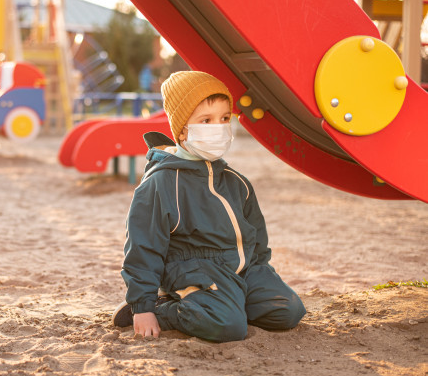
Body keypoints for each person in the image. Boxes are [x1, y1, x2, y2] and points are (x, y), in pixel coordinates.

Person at [112, 71, 306, 342]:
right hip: (195, 270)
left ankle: (224, 304)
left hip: (242, 269)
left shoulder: (236, 182)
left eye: (224, 118)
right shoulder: (162, 183)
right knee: (228, 326)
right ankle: (166, 310)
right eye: (206, 120)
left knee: (288, 311)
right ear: (182, 129)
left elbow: (257, 239)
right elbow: (143, 248)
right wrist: (141, 307)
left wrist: (261, 273)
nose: (219, 127)